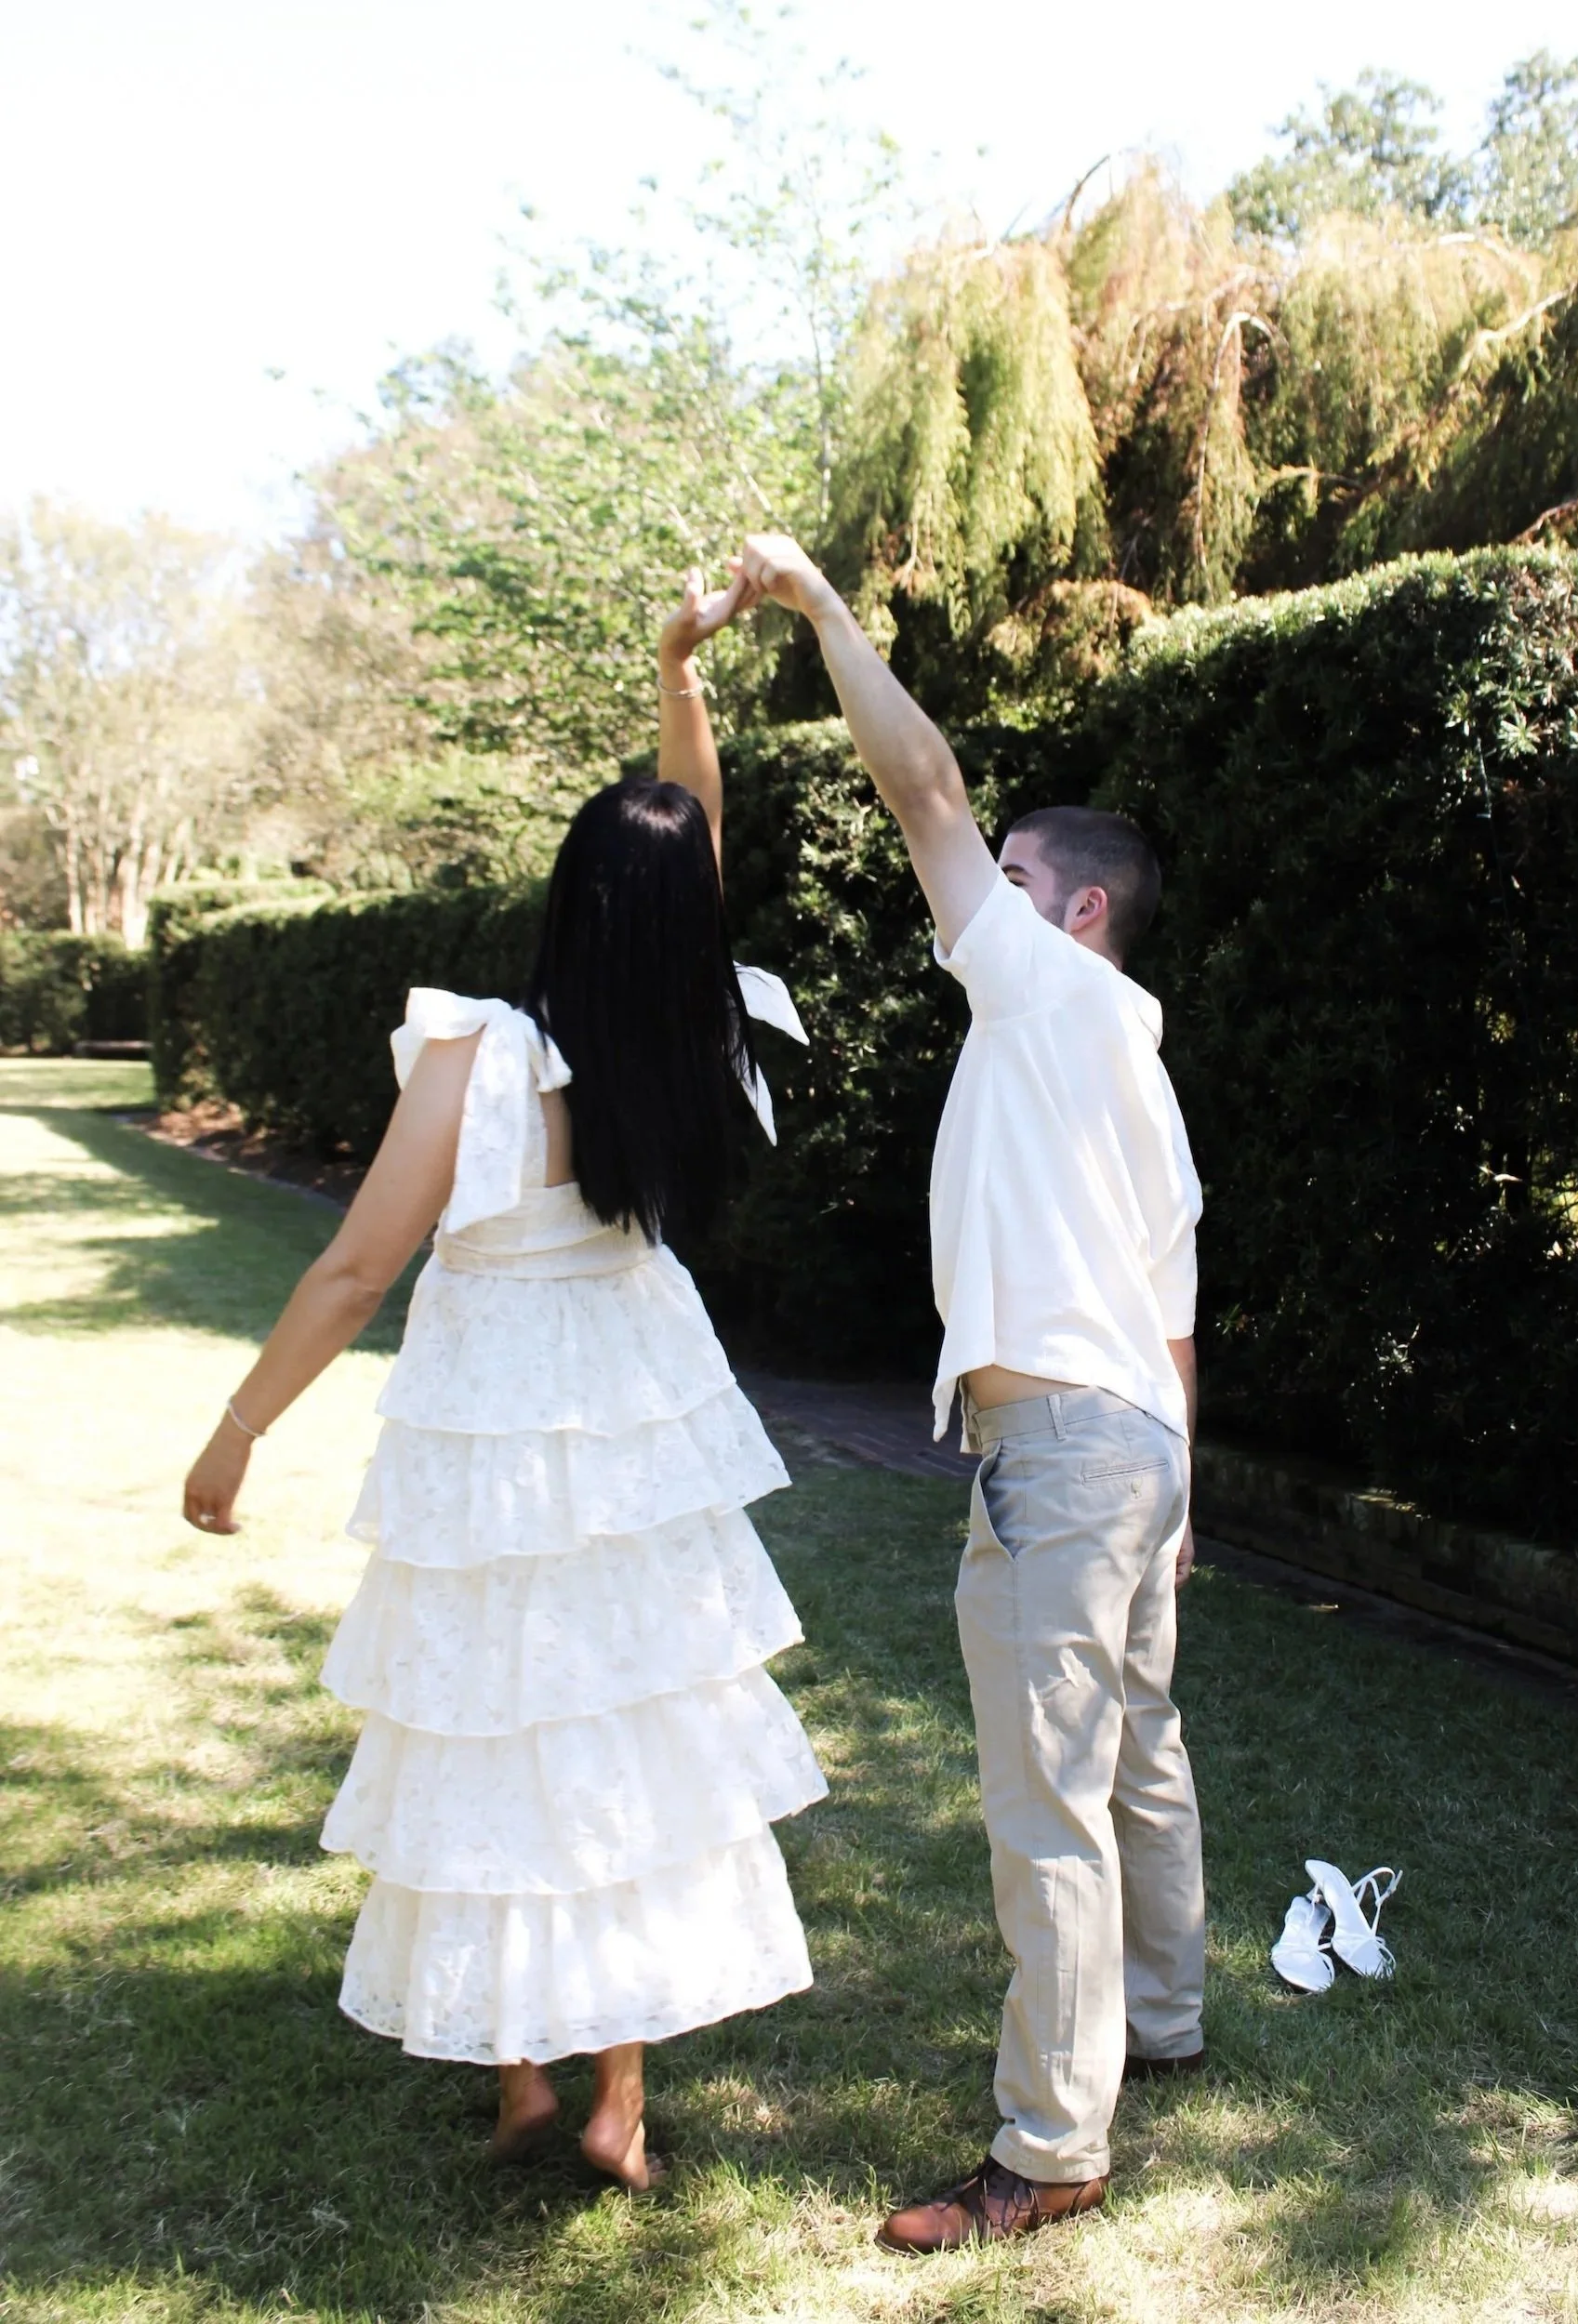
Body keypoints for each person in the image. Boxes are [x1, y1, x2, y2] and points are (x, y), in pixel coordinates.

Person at [180, 569, 825, 2186]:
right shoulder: (704, 1038)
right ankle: (617, 2095)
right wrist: (679, 673)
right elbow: (704, 844)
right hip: (634, 1422)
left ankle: (526, 2082)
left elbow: (352, 1269)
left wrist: (239, 1427)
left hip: (492, 1425)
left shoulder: (478, 1055)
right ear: (686, 929)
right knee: (627, 1724)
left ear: (565, 903)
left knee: (496, 1722)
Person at [734, 533, 1205, 2251]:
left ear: (1073, 908)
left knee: (1047, 1800)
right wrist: (1180, 1509)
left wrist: (818, 606)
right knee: (1138, 1749)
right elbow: (1175, 1329)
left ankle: (1051, 2146)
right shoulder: (1131, 1074)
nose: (978, 894)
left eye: (1014, 876)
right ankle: (1160, 2018)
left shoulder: (1046, 989)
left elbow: (919, 782)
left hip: (1062, 1451)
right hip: (1129, 1444)